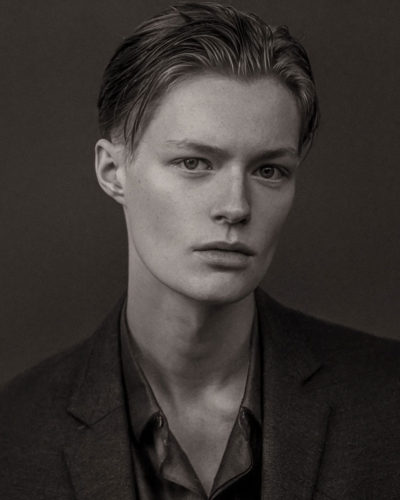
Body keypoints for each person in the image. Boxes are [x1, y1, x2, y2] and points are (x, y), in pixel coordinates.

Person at [1, 2, 399, 499]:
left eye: (269, 170)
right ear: (112, 172)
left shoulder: (388, 399)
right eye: (194, 162)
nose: (235, 206)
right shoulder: (14, 433)